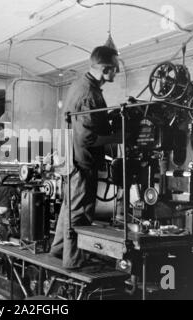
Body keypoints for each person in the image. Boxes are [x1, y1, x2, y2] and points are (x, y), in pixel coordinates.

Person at [50, 46, 123, 269]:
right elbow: (89, 139)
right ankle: (73, 260)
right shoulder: (89, 94)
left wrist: (108, 116)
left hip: (69, 158)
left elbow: (87, 122)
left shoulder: (81, 84)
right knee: (79, 212)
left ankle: (59, 249)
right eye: (115, 69)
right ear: (106, 69)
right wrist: (118, 137)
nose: (117, 72)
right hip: (81, 161)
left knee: (69, 206)